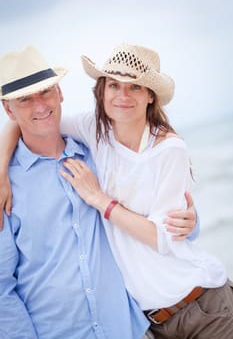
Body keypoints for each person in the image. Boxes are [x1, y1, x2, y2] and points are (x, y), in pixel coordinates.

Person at [57, 43, 233, 338]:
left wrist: (99, 199)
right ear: (102, 90)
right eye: (114, 85)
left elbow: (161, 238)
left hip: (204, 307)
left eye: (135, 87)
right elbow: (34, 122)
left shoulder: (168, 149)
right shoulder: (93, 129)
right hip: (152, 325)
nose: (122, 96)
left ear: (150, 96)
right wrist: (1, 174)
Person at [0, 45, 150, 339]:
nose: (40, 105)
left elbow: (149, 208)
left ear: (60, 93)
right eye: (25, 99)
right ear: (9, 109)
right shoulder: (5, 188)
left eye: (45, 92)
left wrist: (187, 220)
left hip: (127, 331)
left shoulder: (98, 152)